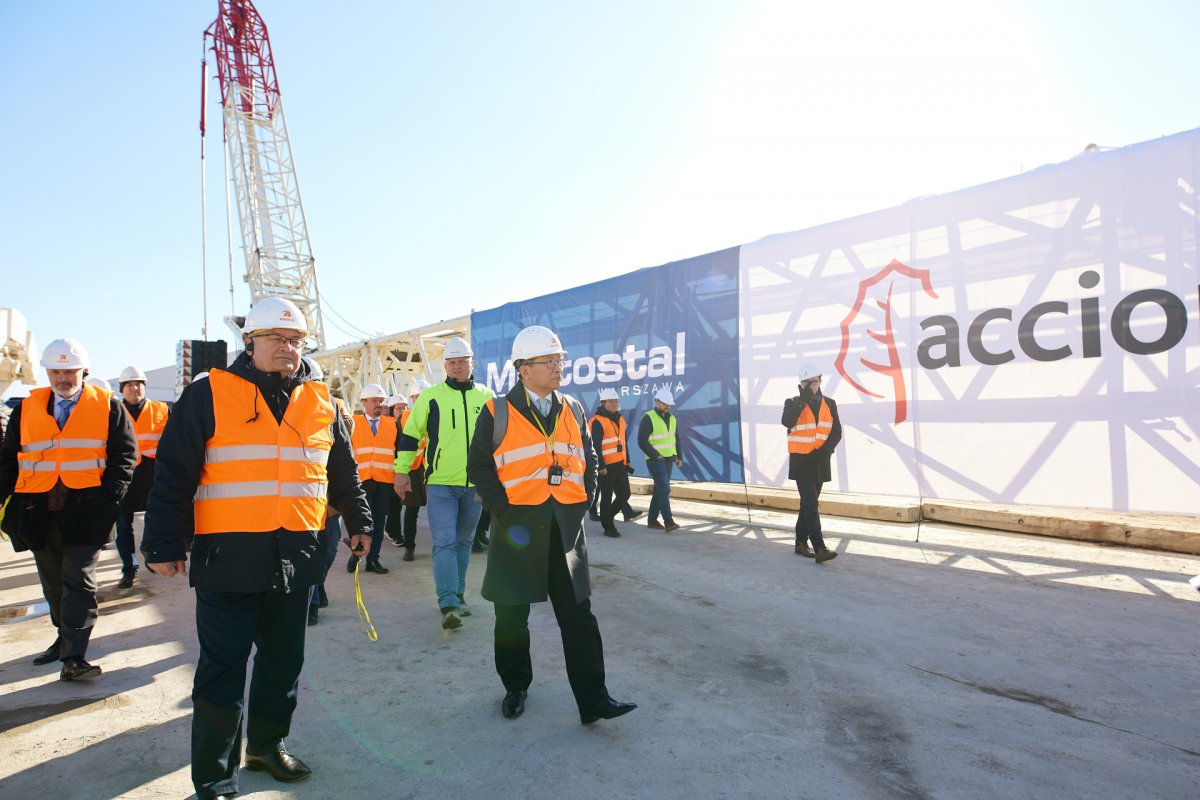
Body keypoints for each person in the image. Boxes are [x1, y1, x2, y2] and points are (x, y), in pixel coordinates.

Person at [140, 297, 373, 800]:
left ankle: (266, 746)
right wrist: (161, 540)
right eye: (276, 338)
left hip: (297, 557)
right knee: (222, 668)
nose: (287, 349)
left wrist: (360, 521)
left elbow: (342, 472)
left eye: (296, 340)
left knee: (283, 662)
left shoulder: (322, 401)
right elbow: (174, 473)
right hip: (229, 559)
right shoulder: (208, 395)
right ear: (250, 342)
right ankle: (215, 777)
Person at [468, 324, 636, 725]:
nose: (559, 367)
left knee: (579, 616)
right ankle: (516, 687)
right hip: (518, 527)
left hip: (566, 525)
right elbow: (479, 466)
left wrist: (585, 501)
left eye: (561, 360)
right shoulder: (497, 411)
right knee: (511, 617)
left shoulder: (574, 408)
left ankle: (594, 699)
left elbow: (589, 458)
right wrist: (503, 512)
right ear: (524, 369)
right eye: (550, 361)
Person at [0, 338, 137, 681]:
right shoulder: (27, 408)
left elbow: (124, 457)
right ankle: (64, 639)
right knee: (53, 585)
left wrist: (110, 501)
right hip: (38, 509)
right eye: (56, 371)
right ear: (47, 372)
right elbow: (7, 460)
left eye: (69, 371)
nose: (63, 378)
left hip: (87, 511)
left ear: (84, 371)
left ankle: (74, 657)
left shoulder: (107, 405)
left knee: (79, 582)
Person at [394, 339, 493, 630]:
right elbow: (410, 436)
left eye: (462, 361)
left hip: (475, 486)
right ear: (445, 367)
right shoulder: (431, 397)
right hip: (439, 484)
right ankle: (448, 602)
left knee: (463, 542)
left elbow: (499, 439)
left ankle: (458, 597)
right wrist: (401, 472)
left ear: (471, 362)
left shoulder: (488, 397)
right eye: (451, 362)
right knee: (445, 542)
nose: (457, 366)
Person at [112, 365, 169, 589]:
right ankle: (129, 567)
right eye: (129, 385)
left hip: (153, 474)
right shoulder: (114, 410)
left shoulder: (161, 409)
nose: (134, 388)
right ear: (122, 389)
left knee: (153, 520)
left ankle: (151, 556)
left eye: (138, 384)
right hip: (124, 475)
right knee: (123, 525)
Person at [781, 364, 842, 563]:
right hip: (801, 461)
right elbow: (787, 422)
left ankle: (800, 542)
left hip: (821, 460)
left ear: (820, 381)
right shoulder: (792, 402)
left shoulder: (830, 404)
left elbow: (836, 432)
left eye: (814, 381)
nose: (811, 386)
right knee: (811, 504)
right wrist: (802, 402)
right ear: (801, 383)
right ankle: (819, 548)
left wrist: (824, 452)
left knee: (807, 504)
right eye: (806, 382)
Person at [305, 357, 347, 626]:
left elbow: (347, 438)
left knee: (330, 548)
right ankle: (311, 602)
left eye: (318, 383)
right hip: (301, 499)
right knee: (308, 551)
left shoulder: (335, 407)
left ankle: (317, 584)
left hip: (330, 499)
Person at [347, 383, 394, 574]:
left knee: (378, 524)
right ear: (363, 403)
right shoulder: (352, 423)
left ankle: (373, 560)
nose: (378, 405)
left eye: (381, 401)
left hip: (383, 482)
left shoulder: (392, 425)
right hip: (361, 482)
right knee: (360, 524)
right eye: (374, 401)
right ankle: (355, 557)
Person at [389, 381, 428, 562]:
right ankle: (409, 547)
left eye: (422, 396)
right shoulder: (403, 418)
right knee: (411, 510)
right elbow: (398, 445)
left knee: (439, 511)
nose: (419, 400)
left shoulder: (437, 414)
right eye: (416, 397)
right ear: (412, 399)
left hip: (430, 469)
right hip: (411, 470)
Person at [590, 388, 634, 538]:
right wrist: (600, 466)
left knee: (625, 494)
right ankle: (609, 527)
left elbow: (623, 442)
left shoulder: (620, 420)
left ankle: (606, 517)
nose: (615, 404)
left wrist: (627, 461)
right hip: (606, 467)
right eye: (611, 401)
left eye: (616, 401)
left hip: (620, 465)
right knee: (606, 497)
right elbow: (595, 446)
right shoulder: (597, 421)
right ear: (603, 403)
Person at [638, 388, 683, 532]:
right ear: (657, 401)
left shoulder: (673, 418)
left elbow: (676, 439)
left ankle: (651, 520)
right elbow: (641, 441)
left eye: (669, 404)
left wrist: (679, 456)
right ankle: (668, 521)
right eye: (665, 403)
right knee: (664, 488)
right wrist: (655, 455)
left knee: (659, 489)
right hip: (655, 460)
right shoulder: (648, 417)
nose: (668, 406)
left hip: (669, 459)